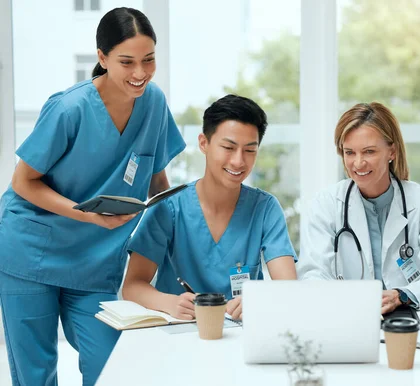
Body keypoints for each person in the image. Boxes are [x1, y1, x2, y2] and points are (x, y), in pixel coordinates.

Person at [0, 7, 186, 386]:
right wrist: (86, 216)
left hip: (95, 264)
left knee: (111, 368)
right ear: (102, 58)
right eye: (127, 62)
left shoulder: (153, 104)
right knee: (35, 376)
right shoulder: (69, 108)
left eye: (149, 60)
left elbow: (157, 183)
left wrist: (186, 231)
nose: (140, 73)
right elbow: (23, 182)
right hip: (30, 254)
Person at [122, 94, 297, 321]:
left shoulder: (265, 209)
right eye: (228, 147)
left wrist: (260, 300)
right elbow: (133, 286)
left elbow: (289, 289)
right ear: (204, 143)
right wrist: (169, 302)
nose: (238, 161)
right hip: (179, 332)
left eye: (250, 150)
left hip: (243, 336)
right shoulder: (169, 206)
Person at [297, 102, 420, 312]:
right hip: (347, 314)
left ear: (392, 151)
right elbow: (312, 274)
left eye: (369, 152)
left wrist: (401, 296)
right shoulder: (326, 204)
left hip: (408, 316)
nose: (358, 163)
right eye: (349, 152)